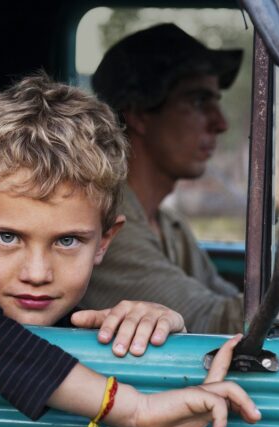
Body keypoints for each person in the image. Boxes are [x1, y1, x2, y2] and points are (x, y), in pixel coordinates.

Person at [0, 74, 260, 427]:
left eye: (67, 241)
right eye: (7, 238)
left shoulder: (74, 318)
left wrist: (159, 331)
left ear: (105, 242)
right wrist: (133, 411)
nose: (38, 273)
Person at [82, 23, 245, 334]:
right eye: (199, 101)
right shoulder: (106, 223)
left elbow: (224, 298)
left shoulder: (171, 225)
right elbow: (213, 320)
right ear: (140, 114)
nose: (220, 123)